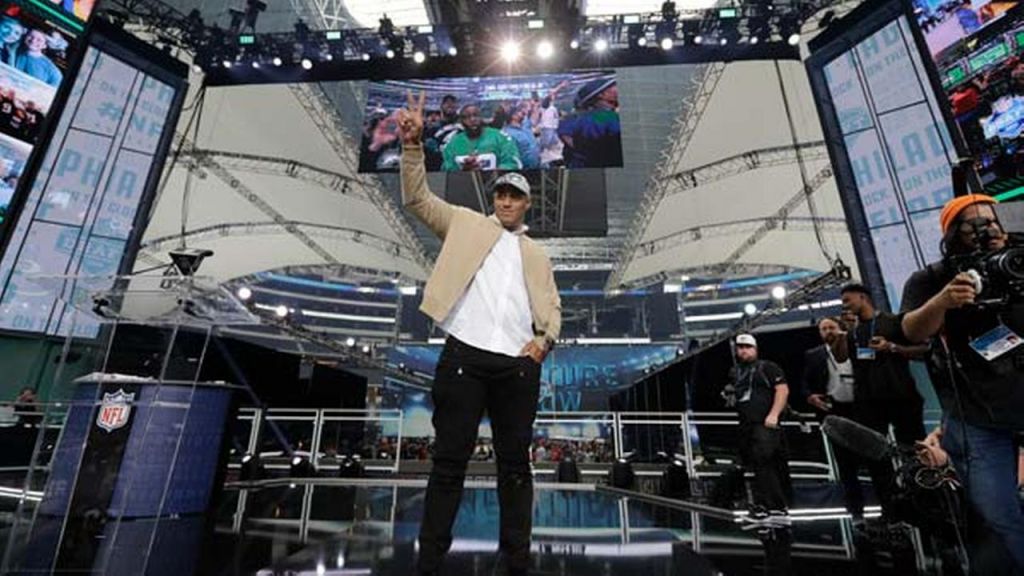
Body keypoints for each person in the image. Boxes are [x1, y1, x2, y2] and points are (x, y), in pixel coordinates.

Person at [397, 91, 561, 576]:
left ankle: (517, 557)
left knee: (516, 466)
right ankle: (430, 558)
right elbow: (418, 199)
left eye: (515, 195)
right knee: (449, 462)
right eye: (501, 194)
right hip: (464, 359)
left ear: (526, 203)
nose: (507, 201)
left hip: (516, 365)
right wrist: (412, 147)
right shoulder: (465, 224)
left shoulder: (537, 253)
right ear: (494, 198)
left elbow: (552, 305)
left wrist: (543, 342)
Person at [901, 194, 1024, 572]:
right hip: (978, 415)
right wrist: (943, 301)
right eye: (973, 225)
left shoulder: (1018, 258)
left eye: (992, 221)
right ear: (953, 233)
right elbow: (911, 331)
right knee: (997, 513)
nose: (987, 229)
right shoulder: (933, 279)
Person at [802, 316, 867, 517]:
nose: (828, 331)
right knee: (845, 463)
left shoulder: (856, 349)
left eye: (831, 327)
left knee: (870, 455)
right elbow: (805, 383)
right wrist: (810, 397)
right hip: (834, 409)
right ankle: (856, 511)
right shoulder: (814, 355)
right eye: (824, 329)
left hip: (861, 407)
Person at [728, 334, 791, 513]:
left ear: (755, 349)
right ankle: (764, 503)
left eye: (747, 347)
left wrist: (774, 414)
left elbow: (782, 390)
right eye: (740, 347)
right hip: (746, 424)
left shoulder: (768, 367)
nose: (743, 350)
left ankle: (776, 505)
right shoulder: (736, 372)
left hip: (765, 423)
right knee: (755, 464)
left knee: (766, 462)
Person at [559, 77, 622, 168]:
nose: (617, 87)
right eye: (612, 86)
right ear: (601, 95)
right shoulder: (605, 116)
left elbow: (564, 133)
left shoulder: (586, 117)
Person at [441, 103, 521, 171]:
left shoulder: (500, 137)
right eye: (466, 117)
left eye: (476, 115)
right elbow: (445, 169)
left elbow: (513, 162)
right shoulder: (452, 143)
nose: (472, 119)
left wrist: (490, 174)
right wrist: (463, 171)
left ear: (482, 117)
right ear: (461, 121)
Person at [502, 104, 540, 170]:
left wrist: (534, 106)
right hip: (524, 169)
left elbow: (534, 118)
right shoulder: (508, 133)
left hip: (539, 166)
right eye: (518, 111)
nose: (522, 112)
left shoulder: (525, 125)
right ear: (513, 116)